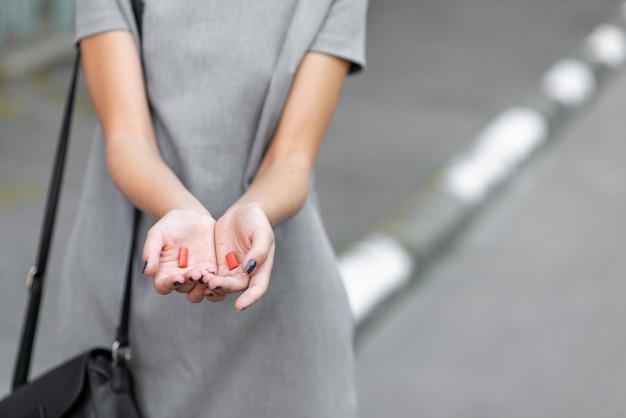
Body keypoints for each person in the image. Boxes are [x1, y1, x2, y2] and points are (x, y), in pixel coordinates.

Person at [58, 0, 367, 416]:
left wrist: (253, 209)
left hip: (280, 325)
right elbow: (127, 136)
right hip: (127, 311)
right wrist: (180, 208)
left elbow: (291, 158)